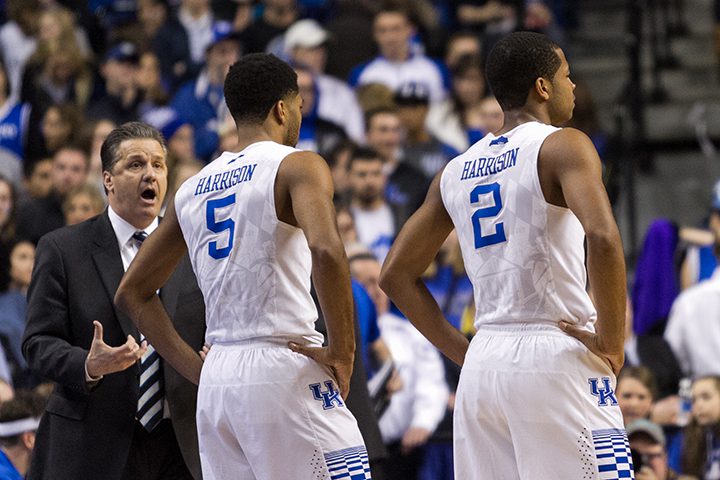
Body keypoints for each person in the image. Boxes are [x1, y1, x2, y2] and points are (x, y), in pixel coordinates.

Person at [379, 31, 629, 479]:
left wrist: (463, 351)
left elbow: (395, 274)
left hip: (485, 363)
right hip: (556, 350)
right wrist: (612, 340)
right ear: (542, 87)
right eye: (567, 76)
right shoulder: (563, 144)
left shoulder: (455, 170)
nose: (574, 87)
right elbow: (604, 238)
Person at [115, 53, 370, 480]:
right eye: (300, 109)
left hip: (219, 381)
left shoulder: (192, 188)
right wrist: (343, 350)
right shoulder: (297, 164)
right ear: (282, 109)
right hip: (282, 363)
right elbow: (326, 250)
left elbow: (132, 293)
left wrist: (200, 371)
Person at [22, 122, 205, 480]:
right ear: (107, 179)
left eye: (158, 164)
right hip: (93, 443)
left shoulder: (194, 247)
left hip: (180, 443)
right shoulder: (62, 249)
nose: (149, 174)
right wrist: (88, 364)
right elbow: (37, 343)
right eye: (136, 165)